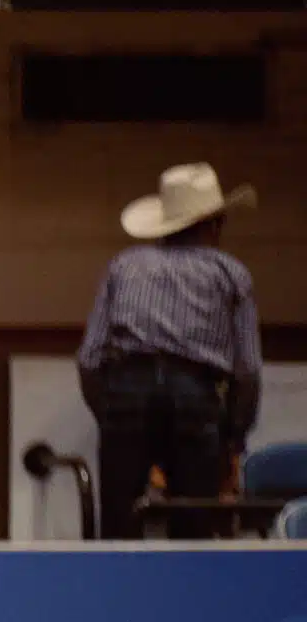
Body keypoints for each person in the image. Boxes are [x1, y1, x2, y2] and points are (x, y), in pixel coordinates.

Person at [77, 163, 262, 541]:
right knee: (194, 528)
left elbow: (90, 359)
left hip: (127, 390)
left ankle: (116, 594)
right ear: (213, 224)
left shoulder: (124, 266)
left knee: (118, 524)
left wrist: (110, 414)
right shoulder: (230, 274)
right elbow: (247, 370)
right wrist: (234, 439)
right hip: (196, 396)